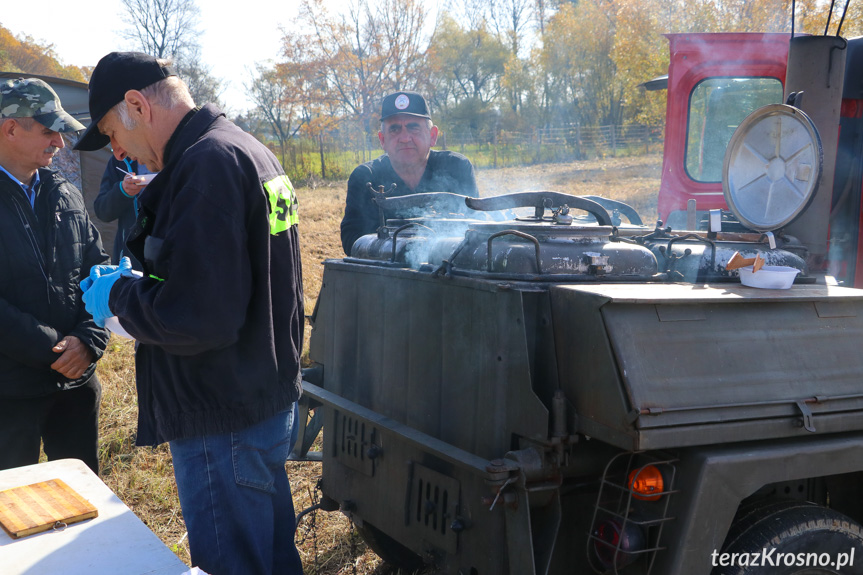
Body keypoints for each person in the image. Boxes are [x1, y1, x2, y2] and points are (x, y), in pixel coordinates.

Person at [74, 52, 304, 575]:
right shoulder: (246, 149)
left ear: (137, 105)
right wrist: (145, 285)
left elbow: (198, 318)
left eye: (112, 132)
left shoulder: (203, 166)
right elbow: (234, 283)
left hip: (220, 416)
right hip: (260, 400)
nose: (117, 150)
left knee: (234, 563)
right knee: (271, 556)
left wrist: (119, 300)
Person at [0, 78, 111, 475]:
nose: (60, 143)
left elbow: (97, 271)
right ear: (10, 128)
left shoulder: (64, 192)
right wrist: (55, 350)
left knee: (84, 501)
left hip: (76, 386)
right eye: (48, 131)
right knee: (12, 514)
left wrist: (89, 341)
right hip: (9, 393)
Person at [340, 90, 479, 254]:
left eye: (414, 128)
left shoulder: (457, 168)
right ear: (382, 140)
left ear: (432, 136)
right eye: (395, 129)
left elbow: (476, 227)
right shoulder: (365, 177)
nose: (405, 138)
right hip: (386, 276)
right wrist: (410, 254)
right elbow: (352, 240)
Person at [94, 156, 153, 270]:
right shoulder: (121, 160)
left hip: (170, 253)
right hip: (131, 260)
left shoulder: (180, 153)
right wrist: (123, 191)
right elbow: (102, 211)